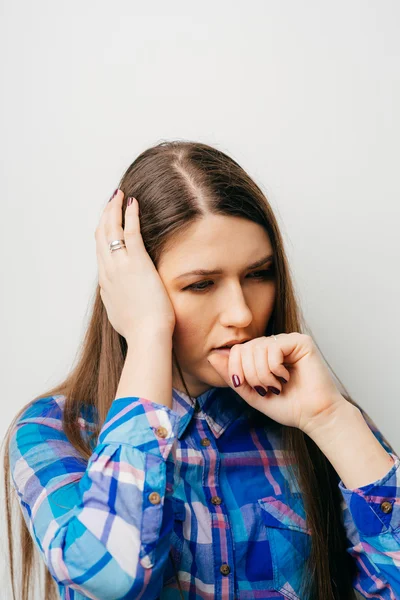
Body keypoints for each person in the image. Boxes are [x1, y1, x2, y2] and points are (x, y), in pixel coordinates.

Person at [2, 140, 399, 600]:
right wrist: (149, 334)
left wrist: (331, 420)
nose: (242, 314)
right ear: (136, 287)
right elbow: (109, 577)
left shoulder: (316, 416)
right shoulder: (54, 431)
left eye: (258, 274)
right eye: (201, 284)